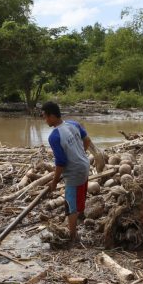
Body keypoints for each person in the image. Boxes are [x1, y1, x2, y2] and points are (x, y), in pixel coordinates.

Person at [41, 101, 103, 244]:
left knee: (70, 205)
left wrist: (55, 181)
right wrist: (79, 154)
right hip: (85, 164)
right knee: (80, 193)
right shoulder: (73, 124)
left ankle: (73, 236)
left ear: (51, 116)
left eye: (45, 117)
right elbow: (86, 140)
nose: (44, 120)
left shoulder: (54, 137)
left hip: (74, 171)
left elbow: (61, 162)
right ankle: (78, 222)